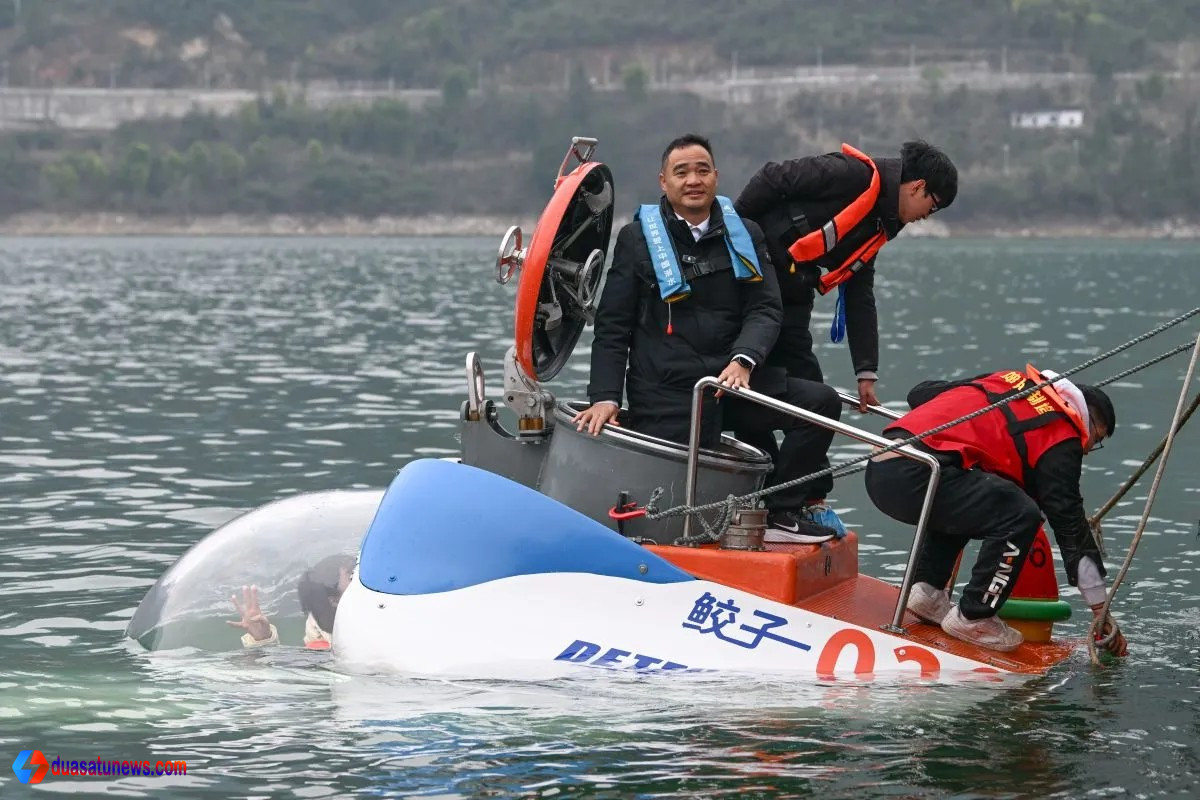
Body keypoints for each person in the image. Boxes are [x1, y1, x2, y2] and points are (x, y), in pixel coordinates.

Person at [573, 133, 843, 539]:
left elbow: (765, 308)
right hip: (667, 393)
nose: (693, 180)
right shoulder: (635, 239)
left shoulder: (746, 233)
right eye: (681, 172)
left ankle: (778, 512)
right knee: (677, 493)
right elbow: (613, 328)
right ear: (664, 182)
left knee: (821, 405)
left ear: (716, 176)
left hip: (729, 383)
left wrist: (744, 359)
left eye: (702, 170)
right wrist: (605, 397)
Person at [864, 364, 1128, 656]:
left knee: (975, 485)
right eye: (1096, 439)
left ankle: (927, 593)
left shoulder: (1008, 382)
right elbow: (1070, 525)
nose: (1088, 450)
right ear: (1087, 420)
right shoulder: (1062, 434)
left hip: (883, 466)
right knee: (1021, 514)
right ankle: (974, 617)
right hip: (917, 478)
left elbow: (920, 394)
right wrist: (1099, 608)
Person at [734, 140, 958, 411]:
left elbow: (859, 295)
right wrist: (732, 239)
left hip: (794, 295)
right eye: (932, 207)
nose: (927, 217)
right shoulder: (850, 174)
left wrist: (865, 372)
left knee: (817, 402)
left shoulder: (879, 225)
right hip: (757, 280)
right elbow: (772, 177)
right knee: (792, 398)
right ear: (917, 186)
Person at [228, 554, 355, 649]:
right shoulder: (322, 645)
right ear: (333, 600)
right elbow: (269, 677)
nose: (363, 578)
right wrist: (262, 641)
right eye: (352, 576)